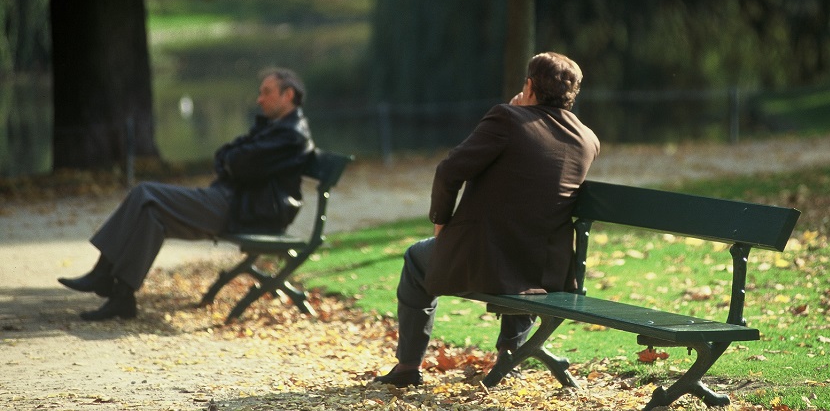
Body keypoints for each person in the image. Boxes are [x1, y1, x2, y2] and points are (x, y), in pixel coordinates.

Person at [372, 52, 600, 387]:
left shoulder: (507, 118)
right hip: (546, 272)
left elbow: (450, 170)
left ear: (529, 85)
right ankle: (511, 354)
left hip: (485, 261)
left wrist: (441, 222)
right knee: (524, 252)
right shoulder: (588, 140)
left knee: (416, 259)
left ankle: (408, 366)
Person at [58, 68, 316, 321]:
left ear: (288, 94)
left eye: (266, 92)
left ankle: (102, 272)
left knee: (145, 191)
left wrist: (233, 161)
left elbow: (240, 164)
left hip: (248, 211)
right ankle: (122, 298)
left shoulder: (291, 134)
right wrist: (233, 160)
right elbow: (227, 155)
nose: (259, 99)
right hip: (236, 202)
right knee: (151, 215)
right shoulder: (275, 128)